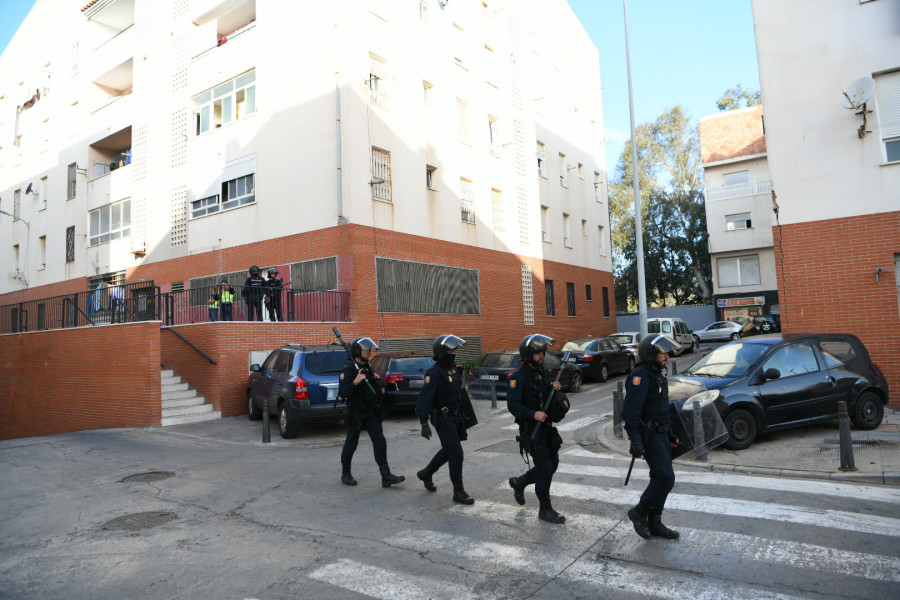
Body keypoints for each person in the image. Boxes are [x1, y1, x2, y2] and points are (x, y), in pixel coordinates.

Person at [622, 334, 684, 540]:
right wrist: (635, 438)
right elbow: (630, 412)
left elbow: (662, 409)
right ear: (651, 354)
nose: (666, 356)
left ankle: (654, 521)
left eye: (666, 352)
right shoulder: (640, 376)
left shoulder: (657, 374)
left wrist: (672, 433)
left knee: (661, 478)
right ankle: (639, 511)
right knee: (666, 478)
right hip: (650, 436)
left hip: (662, 433)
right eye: (662, 352)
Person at [507, 334, 569, 524]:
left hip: (547, 427)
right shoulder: (518, 377)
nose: (542, 356)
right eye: (538, 353)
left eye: (542, 352)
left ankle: (521, 481)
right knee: (545, 468)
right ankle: (545, 509)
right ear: (528, 354)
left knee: (553, 464)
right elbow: (513, 405)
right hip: (532, 429)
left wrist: (553, 387)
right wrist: (532, 414)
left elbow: (542, 395)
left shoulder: (541, 372)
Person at [338, 336, 405, 488]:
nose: (369, 352)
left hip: (371, 411)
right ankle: (346, 473)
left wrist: (376, 379)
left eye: (369, 349)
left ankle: (386, 475)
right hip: (355, 411)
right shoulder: (348, 371)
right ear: (357, 352)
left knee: (379, 440)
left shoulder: (369, 368)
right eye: (365, 349)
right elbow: (343, 392)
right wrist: (355, 382)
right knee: (351, 442)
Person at [415, 334, 474, 505]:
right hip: (443, 418)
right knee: (456, 452)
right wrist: (424, 423)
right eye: (451, 350)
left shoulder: (453, 369)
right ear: (442, 352)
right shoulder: (433, 373)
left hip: (456, 417)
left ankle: (426, 473)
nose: (454, 353)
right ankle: (458, 491)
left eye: (455, 350)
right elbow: (424, 399)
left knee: (449, 450)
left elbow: (457, 394)